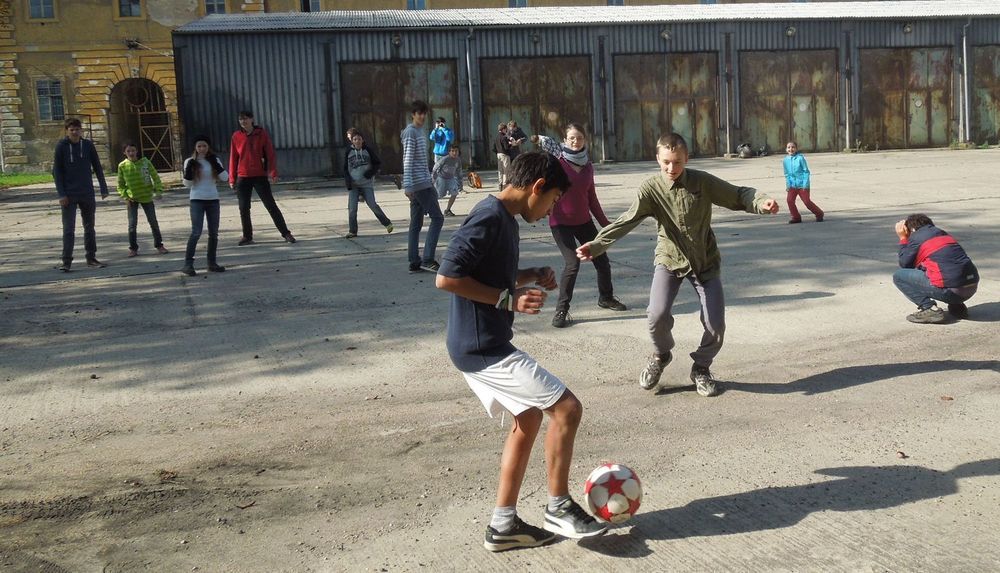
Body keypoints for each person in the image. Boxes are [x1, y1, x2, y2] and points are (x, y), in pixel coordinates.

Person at [435, 151, 607, 552]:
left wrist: (529, 275)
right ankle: (559, 507)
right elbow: (447, 277)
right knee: (567, 409)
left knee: (528, 417)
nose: (550, 212)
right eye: (552, 201)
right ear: (537, 187)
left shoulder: (504, 218)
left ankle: (503, 525)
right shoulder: (489, 217)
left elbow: (488, 273)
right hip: (482, 347)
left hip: (481, 344)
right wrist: (507, 300)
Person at [577, 133, 779, 397]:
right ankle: (661, 355)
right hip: (669, 259)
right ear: (657, 159)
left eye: (677, 162)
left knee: (716, 325)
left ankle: (701, 368)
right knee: (656, 314)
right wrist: (596, 245)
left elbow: (737, 194)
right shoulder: (651, 189)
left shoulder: (701, 182)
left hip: (704, 261)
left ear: (686, 159)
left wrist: (761, 202)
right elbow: (627, 220)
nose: (671, 168)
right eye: (666, 162)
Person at [544, 123, 626, 328]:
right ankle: (561, 309)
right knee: (573, 264)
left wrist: (605, 223)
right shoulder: (557, 163)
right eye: (571, 138)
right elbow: (545, 189)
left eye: (579, 137)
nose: (576, 141)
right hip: (560, 222)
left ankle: (606, 297)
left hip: (584, 221)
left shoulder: (588, 166)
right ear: (564, 140)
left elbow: (591, 197)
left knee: (602, 261)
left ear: (585, 140)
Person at [893, 214, 979, 324]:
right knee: (938, 266)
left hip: (952, 291)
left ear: (911, 229)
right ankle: (957, 307)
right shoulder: (942, 233)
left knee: (899, 276)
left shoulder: (916, 237)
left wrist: (903, 238)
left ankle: (929, 308)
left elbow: (905, 264)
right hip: (971, 287)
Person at [229, 110, 296, 246]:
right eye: (241, 119)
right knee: (243, 208)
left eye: (246, 118)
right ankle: (247, 236)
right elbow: (233, 158)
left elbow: (270, 153)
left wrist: (273, 172)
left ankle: (286, 233)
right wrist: (232, 178)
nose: (243, 121)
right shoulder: (236, 136)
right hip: (243, 176)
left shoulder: (261, 133)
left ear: (252, 119)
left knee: (270, 205)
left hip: (259, 175)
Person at [52, 117, 109, 271]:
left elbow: (97, 166)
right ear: (67, 131)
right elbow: (56, 172)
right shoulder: (61, 146)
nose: (75, 132)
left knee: (89, 227)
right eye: (72, 130)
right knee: (68, 229)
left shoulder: (88, 145)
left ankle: (91, 258)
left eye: (77, 129)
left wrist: (103, 187)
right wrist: (61, 194)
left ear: (81, 130)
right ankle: (66, 261)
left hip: (86, 192)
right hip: (69, 194)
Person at [401, 100, 445, 273]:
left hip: (423, 181)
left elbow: (421, 160)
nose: (422, 116)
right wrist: (408, 185)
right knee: (437, 218)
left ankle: (414, 261)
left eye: (424, 113)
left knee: (416, 223)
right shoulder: (411, 132)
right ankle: (428, 259)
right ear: (413, 114)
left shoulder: (420, 131)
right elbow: (408, 160)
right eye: (419, 113)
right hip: (419, 184)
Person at [181, 136, 229, 276]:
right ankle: (188, 264)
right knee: (196, 232)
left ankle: (212, 263)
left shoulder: (214, 160)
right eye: (199, 146)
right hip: (197, 199)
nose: (202, 149)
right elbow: (187, 184)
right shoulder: (189, 161)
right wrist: (188, 171)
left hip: (213, 199)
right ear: (195, 148)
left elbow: (225, 178)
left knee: (213, 233)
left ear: (208, 147)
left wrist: (216, 165)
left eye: (204, 146)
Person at [116, 142, 167, 257]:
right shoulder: (122, 166)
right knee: (132, 224)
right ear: (124, 153)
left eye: (133, 150)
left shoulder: (145, 162)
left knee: (153, 222)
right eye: (128, 151)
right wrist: (125, 196)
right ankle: (133, 248)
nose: (131, 153)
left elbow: (155, 177)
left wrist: (158, 191)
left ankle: (159, 245)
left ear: (137, 151)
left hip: (146, 196)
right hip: (132, 199)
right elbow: (120, 184)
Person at [344, 130, 393, 237]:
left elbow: (377, 163)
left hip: (366, 183)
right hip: (354, 184)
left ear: (363, 140)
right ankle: (352, 231)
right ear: (352, 141)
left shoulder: (368, 150)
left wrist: (369, 173)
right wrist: (348, 182)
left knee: (373, 205)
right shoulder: (348, 152)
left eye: (359, 139)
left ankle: (387, 223)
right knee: (352, 209)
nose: (357, 141)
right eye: (355, 139)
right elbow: (345, 168)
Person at [783, 141, 824, 224]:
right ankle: (796, 217)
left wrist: (805, 184)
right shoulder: (785, 160)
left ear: (796, 149)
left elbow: (806, 172)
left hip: (802, 185)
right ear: (786, 149)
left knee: (807, 202)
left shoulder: (800, 158)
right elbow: (787, 174)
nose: (791, 149)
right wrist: (788, 185)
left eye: (793, 147)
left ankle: (819, 214)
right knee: (790, 201)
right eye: (789, 147)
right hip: (792, 185)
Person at [432, 144, 463, 217]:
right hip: (441, 178)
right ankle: (432, 209)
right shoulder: (445, 159)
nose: (454, 153)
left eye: (456, 151)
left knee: (454, 193)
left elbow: (459, 171)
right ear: (449, 152)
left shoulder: (458, 160)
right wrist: (433, 178)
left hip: (451, 178)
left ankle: (447, 210)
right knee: (439, 195)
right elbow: (435, 167)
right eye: (452, 151)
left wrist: (460, 183)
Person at [494, 123, 512, 192]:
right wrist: (510, 144)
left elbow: (494, 148)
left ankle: (500, 185)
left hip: (498, 155)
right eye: (506, 129)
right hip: (505, 155)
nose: (506, 131)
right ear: (503, 129)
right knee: (506, 171)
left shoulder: (496, 137)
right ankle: (505, 186)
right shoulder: (504, 137)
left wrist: (497, 152)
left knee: (500, 171)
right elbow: (506, 148)